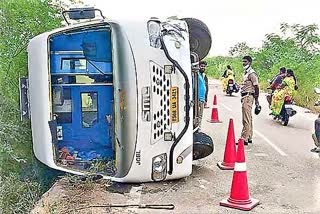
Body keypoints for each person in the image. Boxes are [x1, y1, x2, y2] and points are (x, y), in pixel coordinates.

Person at [240, 56, 260, 145]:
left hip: (248, 96)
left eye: (245, 61)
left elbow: (256, 87)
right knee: (249, 118)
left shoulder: (252, 73)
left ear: (250, 62)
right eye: (243, 61)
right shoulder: (246, 73)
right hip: (245, 96)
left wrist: (257, 100)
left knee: (246, 118)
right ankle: (249, 136)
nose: (243, 63)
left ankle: (244, 138)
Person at [198, 61, 207, 131]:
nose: (203, 67)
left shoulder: (203, 76)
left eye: (204, 66)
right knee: (196, 115)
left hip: (202, 99)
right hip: (197, 98)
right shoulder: (195, 75)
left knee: (200, 116)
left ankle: (199, 129)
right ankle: (196, 129)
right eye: (201, 66)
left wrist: (205, 99)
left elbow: (206, 87)